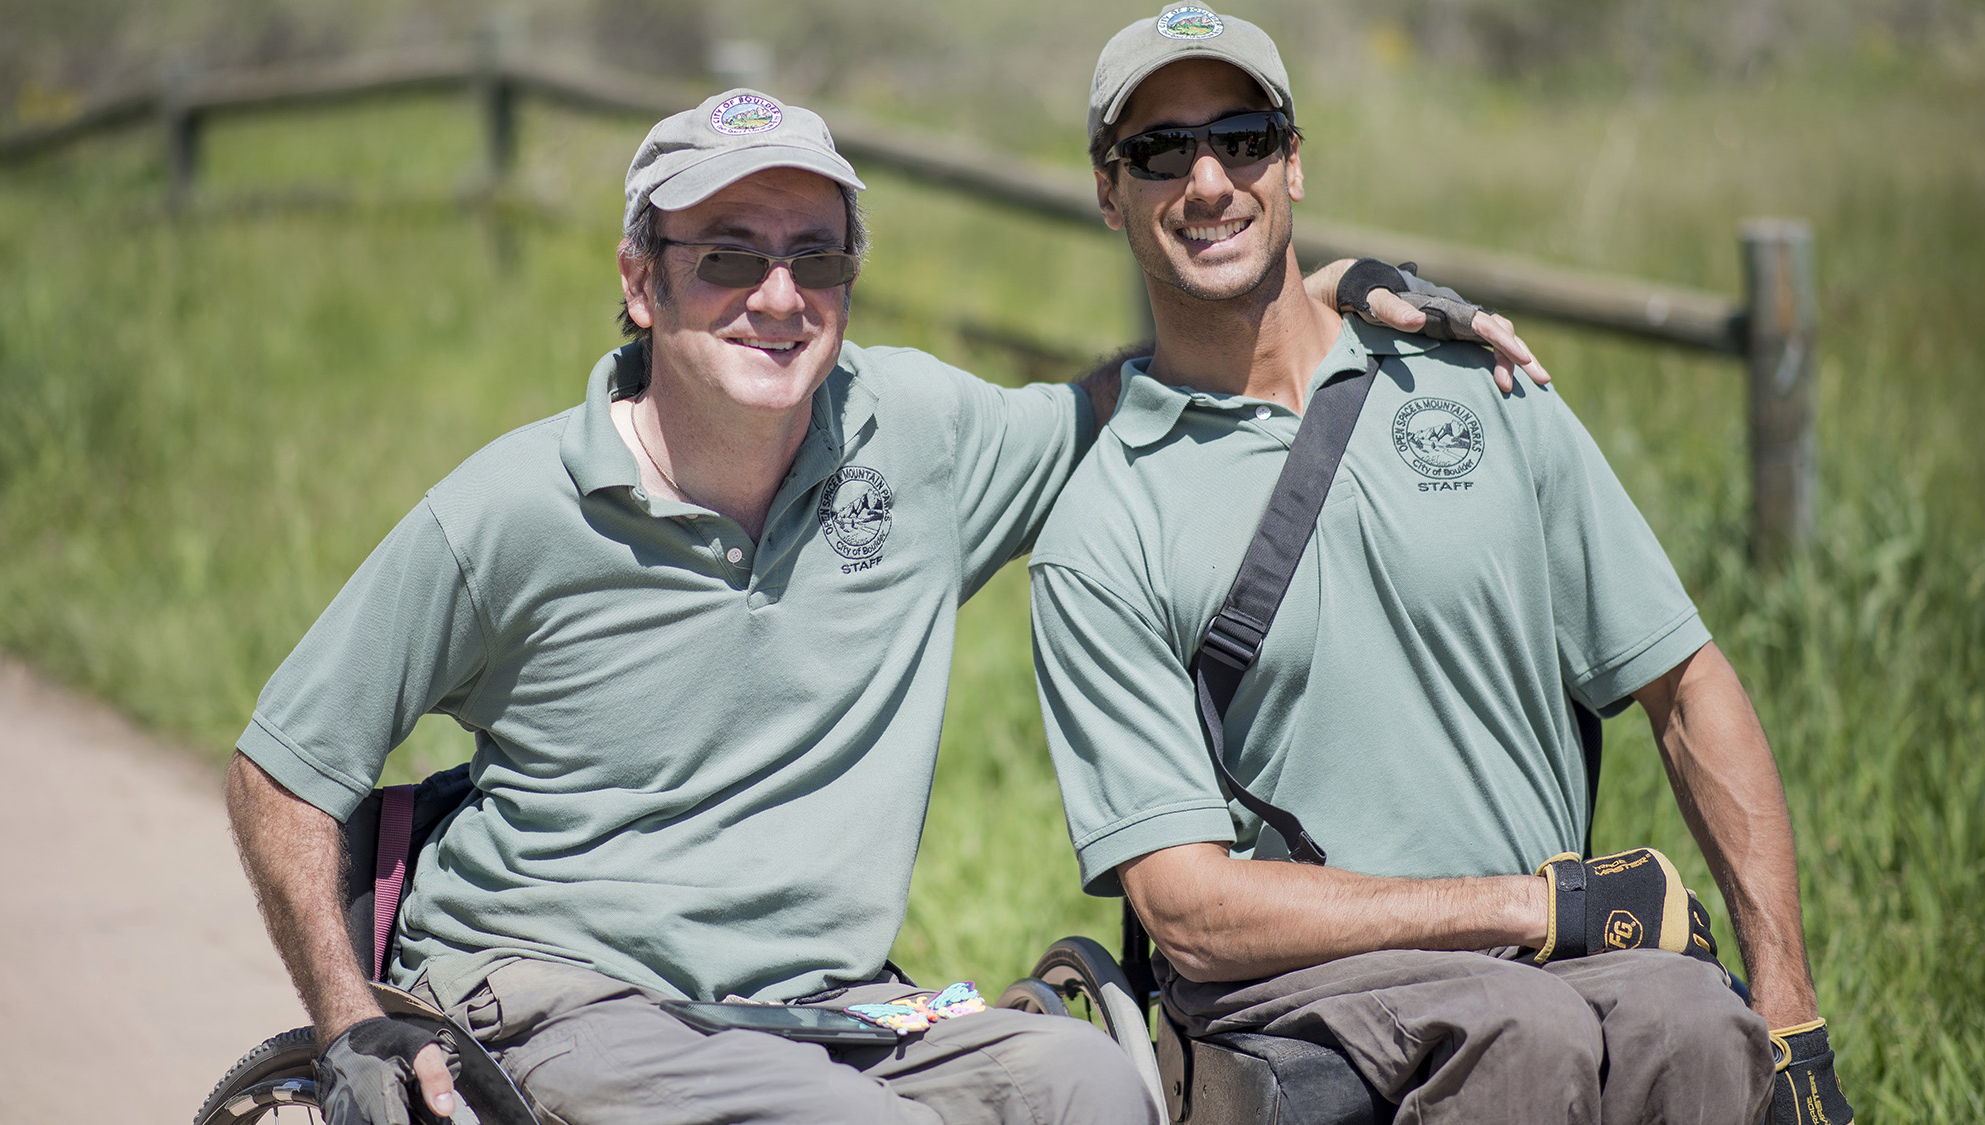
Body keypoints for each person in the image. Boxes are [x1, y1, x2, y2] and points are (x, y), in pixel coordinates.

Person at [224, 88, 1527, 1125]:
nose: (780, 297)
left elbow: (1130, 397)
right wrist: (348, 1022)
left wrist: (1329, 289)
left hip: (829, 1007)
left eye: (817, 256)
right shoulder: (506, 511)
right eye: (727, 256)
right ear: (641, 279)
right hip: (568, 996)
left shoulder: (913, 431)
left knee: (1093, 1089)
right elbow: (284, 768)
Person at [1028, 6, 1853, 1124]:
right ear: (1106, 190)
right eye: (1160, 151)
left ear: (1295, 161)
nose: (1209, 180)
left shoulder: (1480, 389)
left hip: (1555, 952)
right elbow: (1187, 911)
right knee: (1524, 1033)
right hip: (1305, 984)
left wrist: (1789, 1011)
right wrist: (1530, 906)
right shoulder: (1104, 520)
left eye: (1245, 137)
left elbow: (1683, 683)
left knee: (1693, 1023)